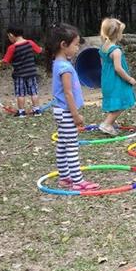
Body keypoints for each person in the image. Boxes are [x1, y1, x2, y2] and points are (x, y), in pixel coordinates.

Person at [46, 23, 99, 191]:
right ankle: (78, 181)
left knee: (62, 144)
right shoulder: (64, 67)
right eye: (76, 44)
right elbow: (68, 94)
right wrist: (76, 115)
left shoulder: (58, 63)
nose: (77, 48)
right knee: (72, 146)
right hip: (67, 112)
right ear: (63, 45)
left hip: (60, 111)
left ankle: (65, 177)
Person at [0, 24, 43, 117]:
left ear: (11, 35)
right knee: (34, 92)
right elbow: (39, 50)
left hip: (19, 75)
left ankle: (21, 112)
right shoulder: (30, 43)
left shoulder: (12, 48)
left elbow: (5, 61)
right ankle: (37, 111)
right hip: (31, 72)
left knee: (20, 94)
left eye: (8, 36)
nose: (9, 38)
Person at [97, 18, 136, 135]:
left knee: (115, 101)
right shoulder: (116, 51)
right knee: (123, 100)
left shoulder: (103, 47)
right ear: (117, 34)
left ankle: (111, 122)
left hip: (107, 80)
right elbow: (118, 68)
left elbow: (103, 64)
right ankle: (107, 123)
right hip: (116, 81)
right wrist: (129, 79)